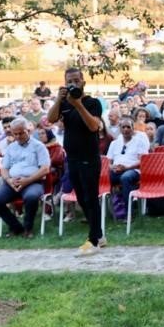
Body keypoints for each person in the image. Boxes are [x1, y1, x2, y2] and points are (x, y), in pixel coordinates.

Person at [46, 66, 105, 255]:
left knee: (91, 197)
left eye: (76, 81)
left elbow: (94, 126)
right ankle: (99, 234)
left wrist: (78, 103)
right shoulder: (64, 103)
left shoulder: (92, 102)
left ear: (83, 82)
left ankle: (93, 240)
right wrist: (59, 99)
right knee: (80, 198)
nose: (73, 84)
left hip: (89, 157)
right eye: (69, 81)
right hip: (71, 157)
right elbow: (51, 119)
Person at [0, 119, 50, 238]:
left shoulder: (39, 146)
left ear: (28, 131)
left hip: (33, 181)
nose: (17, 136)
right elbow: (4, 169)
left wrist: (27, 180)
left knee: (31, 197)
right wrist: (9, 180)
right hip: (13, 182)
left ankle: (28, 228)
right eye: (15, 134)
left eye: (21, 133)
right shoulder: (11, 148)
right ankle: (16, 227)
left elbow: (45, 169)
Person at [106, 115, 149, 218]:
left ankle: (128, 212)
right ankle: (106, 210)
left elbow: (142, 161)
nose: (126, 129)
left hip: (133, 170)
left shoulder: (139, 142)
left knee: (125, 177)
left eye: (128, 127)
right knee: (102, 177)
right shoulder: (114, 143)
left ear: (133, 128)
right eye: (123, 127)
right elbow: (107, 162)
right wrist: (112, 167)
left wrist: (126, 167)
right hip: (116, 170)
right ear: (120, 129)